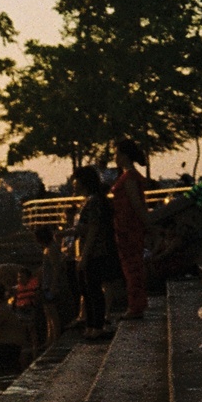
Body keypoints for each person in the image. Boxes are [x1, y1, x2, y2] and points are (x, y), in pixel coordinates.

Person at [72, 165, 118, 337]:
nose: (73, 184)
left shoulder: (94, 201)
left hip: (95, 253)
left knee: (93, 291)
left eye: (76, 181)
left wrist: (84, 257)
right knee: (87, 290)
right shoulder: (89, 201)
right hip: (87, 252)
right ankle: (90, 326)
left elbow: (93, 229)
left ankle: (96, 327)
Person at [112, 139, 151, 319]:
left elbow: (136, 204)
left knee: (132, 268)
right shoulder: (128, 175)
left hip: (129, 228)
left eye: (116, 153)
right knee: (131, 267)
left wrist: (148, 225)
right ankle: (136, 304)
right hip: (124, 227)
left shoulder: (129, 177)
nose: (114, 157)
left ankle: (136, 306)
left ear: (124, 155)